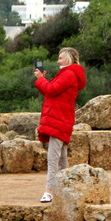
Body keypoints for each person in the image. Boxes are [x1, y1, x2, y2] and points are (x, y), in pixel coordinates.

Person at [33, 47, 87, 203]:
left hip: (59, 119)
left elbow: (51, 89)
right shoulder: (67, 74)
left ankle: (49, 190)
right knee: (62, 156)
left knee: (53, 156)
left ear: (69, 58)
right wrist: (43, 80)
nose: (58, 61)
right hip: (60, 118)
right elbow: (52, 92)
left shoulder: (69, 74)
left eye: (61, 58)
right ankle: (68, 187)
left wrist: (40, 79)